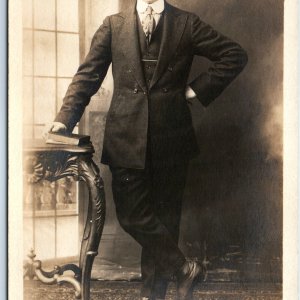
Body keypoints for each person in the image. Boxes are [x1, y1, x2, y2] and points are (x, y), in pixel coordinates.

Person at [45, 0, 248, 299]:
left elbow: (234, 55)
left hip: (172, 139)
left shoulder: (187, 23)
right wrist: (64, 120)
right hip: (126, 138)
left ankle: (153, 295)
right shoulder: (113, 25)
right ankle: (184, 268)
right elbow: (87, 76)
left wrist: (195, 90)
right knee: (130, 214)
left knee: (166, 221)